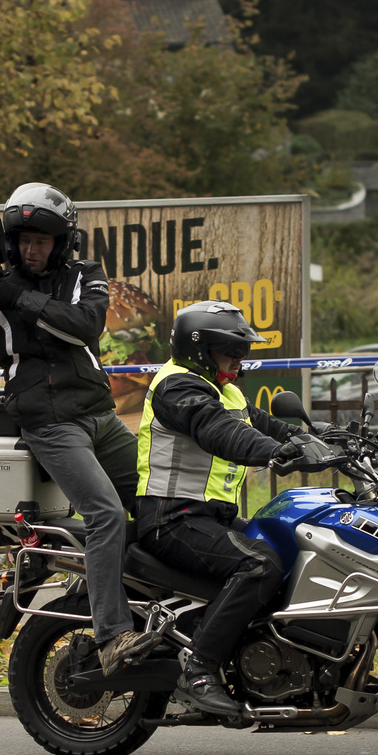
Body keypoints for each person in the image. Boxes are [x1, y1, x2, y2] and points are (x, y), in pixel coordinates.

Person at [0, 183, 157, 676]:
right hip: (50, 424)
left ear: (62, 241)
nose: (30, 249)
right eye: (23, 240)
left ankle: (153, 603)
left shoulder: (84, 276)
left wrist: (15, 294)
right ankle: (112, 637)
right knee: (106, 515)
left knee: (156, 498)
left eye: (41, 240)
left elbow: (83, 327)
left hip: (100, 416)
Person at [135, 301, 306, 717]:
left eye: (241, 352)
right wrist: (277, 452)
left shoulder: (224, 390)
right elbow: (220, 431)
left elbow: (263, 424)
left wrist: (324, 439)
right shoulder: (177, 387)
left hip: (209, 517)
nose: (238, 360)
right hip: (171, 518)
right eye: (230, 352)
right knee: (258, 566)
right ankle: (198, 667)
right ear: (200, 350)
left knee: (290, 550)